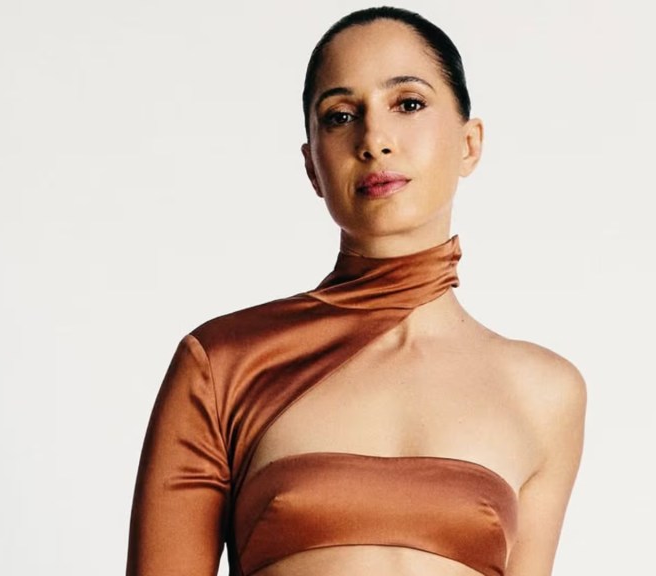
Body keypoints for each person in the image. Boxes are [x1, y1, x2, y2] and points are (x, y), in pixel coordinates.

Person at [126, 6, 586, 576]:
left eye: (408, 104)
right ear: (312, 166)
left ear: (470, 144)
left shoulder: (544, 392)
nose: (374, 140)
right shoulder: (222, 364)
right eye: (340, 116)